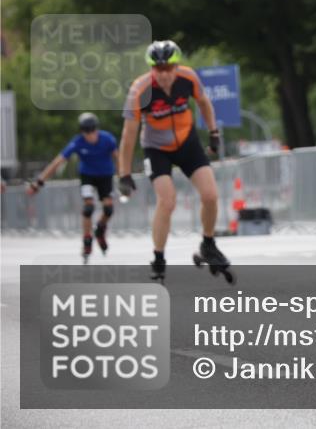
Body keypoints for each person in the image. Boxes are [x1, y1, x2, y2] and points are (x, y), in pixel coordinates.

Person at [117, 40, 233, 283]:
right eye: (158, 70)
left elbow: (204, 103)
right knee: (167, 201)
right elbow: (128, 136)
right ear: (152, 69)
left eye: (169, 68)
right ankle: (158, 259)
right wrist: (124, 174)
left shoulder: (188, 78)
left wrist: (213, 133)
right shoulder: (140, 90)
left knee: (210, 195)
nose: (165, 75)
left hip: (186, 141)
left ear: (177, 66)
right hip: (156, 148)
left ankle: (208, 245)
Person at [28, 113, 118, 262]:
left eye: (92, 131)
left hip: (105, 176)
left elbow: (118, 157)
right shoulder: (78, 142)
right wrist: (39, 182)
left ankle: (100, 229)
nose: (90, 135)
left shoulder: (107, 139)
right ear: (82, 131)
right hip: (87, 175)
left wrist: (124, 177)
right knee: (88, 208)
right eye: (86, 132)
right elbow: (58, 162)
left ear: (97, 129)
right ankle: (86, 240)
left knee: (109, 209)